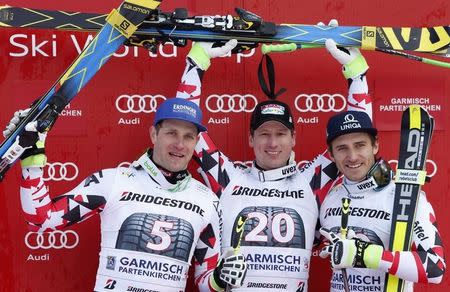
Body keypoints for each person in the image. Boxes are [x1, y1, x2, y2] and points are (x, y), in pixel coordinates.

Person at [174, 23, 373, 290]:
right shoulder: (228, 179)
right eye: (264, 133)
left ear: (293, 139)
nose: (272, 143)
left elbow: (356, 130)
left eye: (281, 134)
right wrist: (196, 63)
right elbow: (186, 125)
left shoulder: (310, 182)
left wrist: (356, 73)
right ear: (250, 139)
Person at [4, 98, 247, 291]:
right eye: (171, 133)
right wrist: (32, 162)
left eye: (188, 137)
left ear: (196, 143)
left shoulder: (207, 201)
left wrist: (221, 277)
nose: (180, 145)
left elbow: (205, 280)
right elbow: (42, 220)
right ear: (154, 134)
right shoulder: (112, 181)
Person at [318, 110, 446, 291]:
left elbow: (435, 267)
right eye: (342, 148)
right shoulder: (329, 199)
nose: (352, 156)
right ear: (331, 155)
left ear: (375, 145)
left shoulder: (405, 197)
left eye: (360, 145)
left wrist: (366, 254)